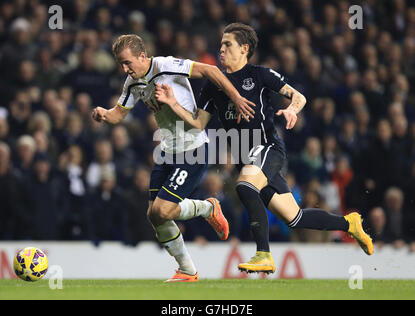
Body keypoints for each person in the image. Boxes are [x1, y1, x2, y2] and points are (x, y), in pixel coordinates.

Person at [154, 23, 373, 274]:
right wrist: (173, 103)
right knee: (295, 218)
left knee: (245, 186)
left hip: (267, 148)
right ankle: (349, 223)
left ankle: (263, 254)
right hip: (245, 157)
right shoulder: (214, 85)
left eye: (228, 44)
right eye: (221, 44)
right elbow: (198, 123)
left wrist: (291, 110)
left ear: (244, 49)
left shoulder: (259, 75)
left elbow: (298, 97)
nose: (221, 49)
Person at [91, 34, 255, 282]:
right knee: (154, 215)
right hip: (167, 150)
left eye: (128, 63)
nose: (125, 69)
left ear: (143, 56)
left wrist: (237, 97)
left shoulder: (165, 65)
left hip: (192, 149)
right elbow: (118, 115)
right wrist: (104, 114)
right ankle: (187, 269)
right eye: (121, 64)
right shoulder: (132, 83)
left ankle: (207, 207)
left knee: (163, 209)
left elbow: (210, 69)